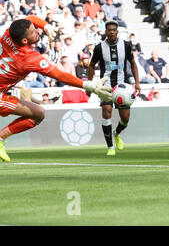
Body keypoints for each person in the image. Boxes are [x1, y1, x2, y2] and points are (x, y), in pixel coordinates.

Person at [0, 16, 111, 162]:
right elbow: (59, 74)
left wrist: (47, 27)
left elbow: (29, 19)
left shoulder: (10, 34)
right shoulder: (29, 58)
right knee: (38, 114)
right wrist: (86, 84)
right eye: (34, 32)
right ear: (25, 41)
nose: (38, 31)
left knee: (38, 113)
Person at [87, 20, 140, 156]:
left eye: (113, 30)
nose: (111, 32)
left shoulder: (126, 45)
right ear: (105, 32)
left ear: (117, 32)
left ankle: (116, 133)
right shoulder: (99, 48)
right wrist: (89, 83)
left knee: (125, 119)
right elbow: (91, 65)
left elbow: (133, 63)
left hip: (122, 86)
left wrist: (137, 83)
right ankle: (110, 147)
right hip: (106, 85)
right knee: (106, 111)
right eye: (109, 30)